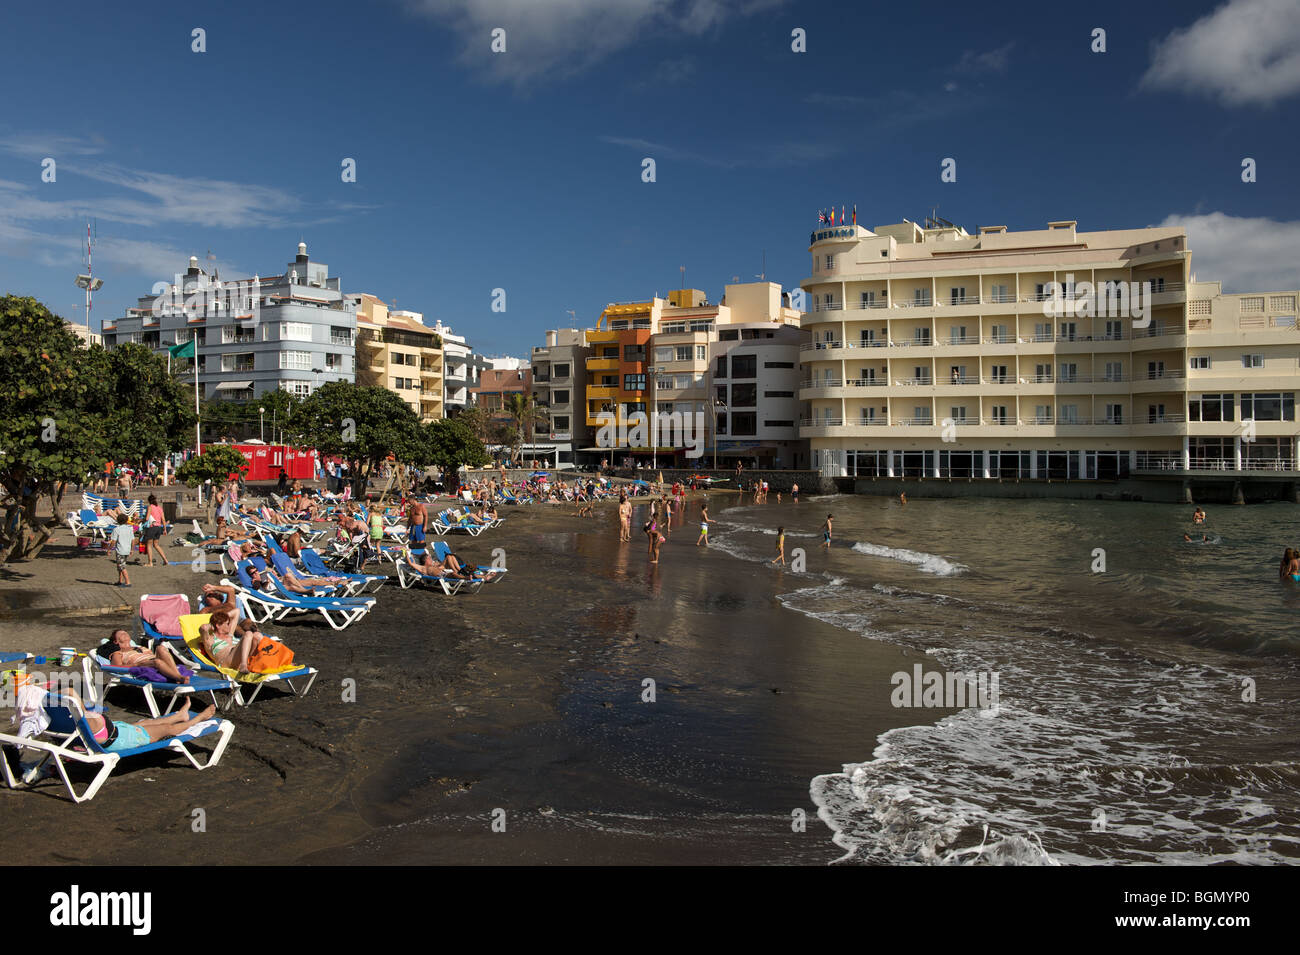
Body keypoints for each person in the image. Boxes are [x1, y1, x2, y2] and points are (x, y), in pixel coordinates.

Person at [57, 687, 215, 754]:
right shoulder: (87, 720)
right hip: (123, 740)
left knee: (145, 723)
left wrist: (45, 695)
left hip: (118, 733)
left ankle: (180, 716)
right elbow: (70, 692)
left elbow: (69, 693)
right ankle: (201, 717)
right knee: (168, 728)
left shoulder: (69, 720)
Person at [99, 629, 191, 683]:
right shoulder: (118, 653)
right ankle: (179, 678)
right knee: (157, 662)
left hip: (153, 659)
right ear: (116, 641)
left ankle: (177, 676)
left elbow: (153, 655)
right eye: (122, 634)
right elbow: (118, 667)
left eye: (126, 632)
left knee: (160, 648)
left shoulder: (139, 647)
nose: (125, 633)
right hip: (144, 664)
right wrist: (137, 665)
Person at [142, 494, 167, 567]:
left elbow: (146, 519)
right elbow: (163, 519)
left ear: (149, 501)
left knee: (149, 545)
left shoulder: (150, 507)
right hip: (159, 527)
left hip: (152, 527)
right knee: (156, 545)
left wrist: (141, 520)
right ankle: (165, 560)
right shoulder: (159, 507)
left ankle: (150, 562)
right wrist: (165, 529)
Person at [109, 513, 134, 587]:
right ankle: (120, 580)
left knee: (122, 567)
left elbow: (113, 541)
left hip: (120, 550)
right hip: (127, 550)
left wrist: (109, 549)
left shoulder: (116, 529)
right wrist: (132, 549)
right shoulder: (129, 529)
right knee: (120, 565)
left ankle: (128, 582)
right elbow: (133, 540)